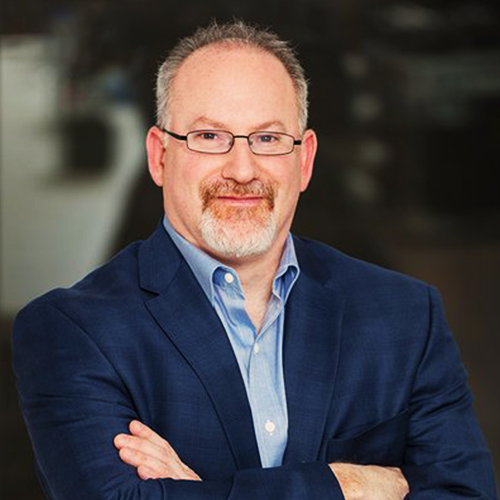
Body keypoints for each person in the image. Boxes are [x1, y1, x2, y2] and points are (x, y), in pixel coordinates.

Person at [13, 21, 497, 500]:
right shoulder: (73, 333)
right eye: (209, 136)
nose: (242, 170)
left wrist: (204, 494)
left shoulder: (406, 316)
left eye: (267, 139)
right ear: (159, 156)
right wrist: (348, 484)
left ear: (304, 161)